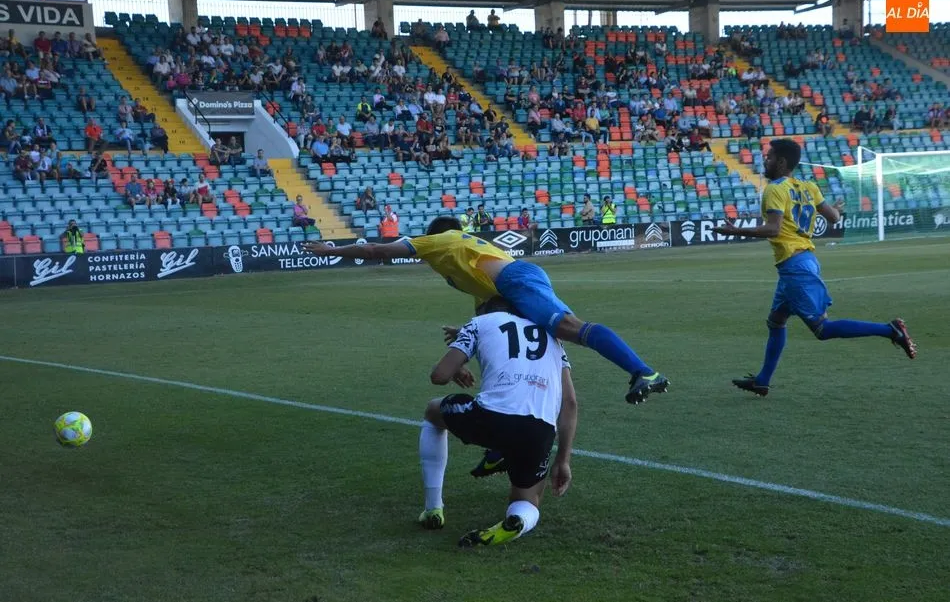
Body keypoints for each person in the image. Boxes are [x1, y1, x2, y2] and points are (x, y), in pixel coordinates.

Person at [302, 218, 668, 411]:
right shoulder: (459, 268)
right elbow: (491, 317)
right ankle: (501, 446)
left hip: (517, 280)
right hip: (509, 288)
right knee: (537, 356)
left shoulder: (442, 240)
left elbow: (377, 251)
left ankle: (643, 371)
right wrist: (466, 342)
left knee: (570, 328)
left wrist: (330, 250)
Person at [712, 139, 917, 396]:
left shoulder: (775, 189)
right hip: (800, 263)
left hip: (796, 266)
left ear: (782, 162)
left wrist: (735, 231)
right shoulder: (809, 187)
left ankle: (891, 330)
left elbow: (773, 229)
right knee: (776, 322)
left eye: (769, 157)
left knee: (822, 329)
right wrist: (837, 209)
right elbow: (833, 217)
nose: (765, 161)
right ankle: (762, 380)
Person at [418, 297, 576, 546]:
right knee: (527, 500)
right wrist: (563, 460)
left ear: (483, 307)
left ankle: (433, 508)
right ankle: (518, 522)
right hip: (540, 429)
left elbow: (439, 375)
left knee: (433, 413)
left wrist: (458, 365)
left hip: (491, 418)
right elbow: (570, 403)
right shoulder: (552, 338)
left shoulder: (480, 322)